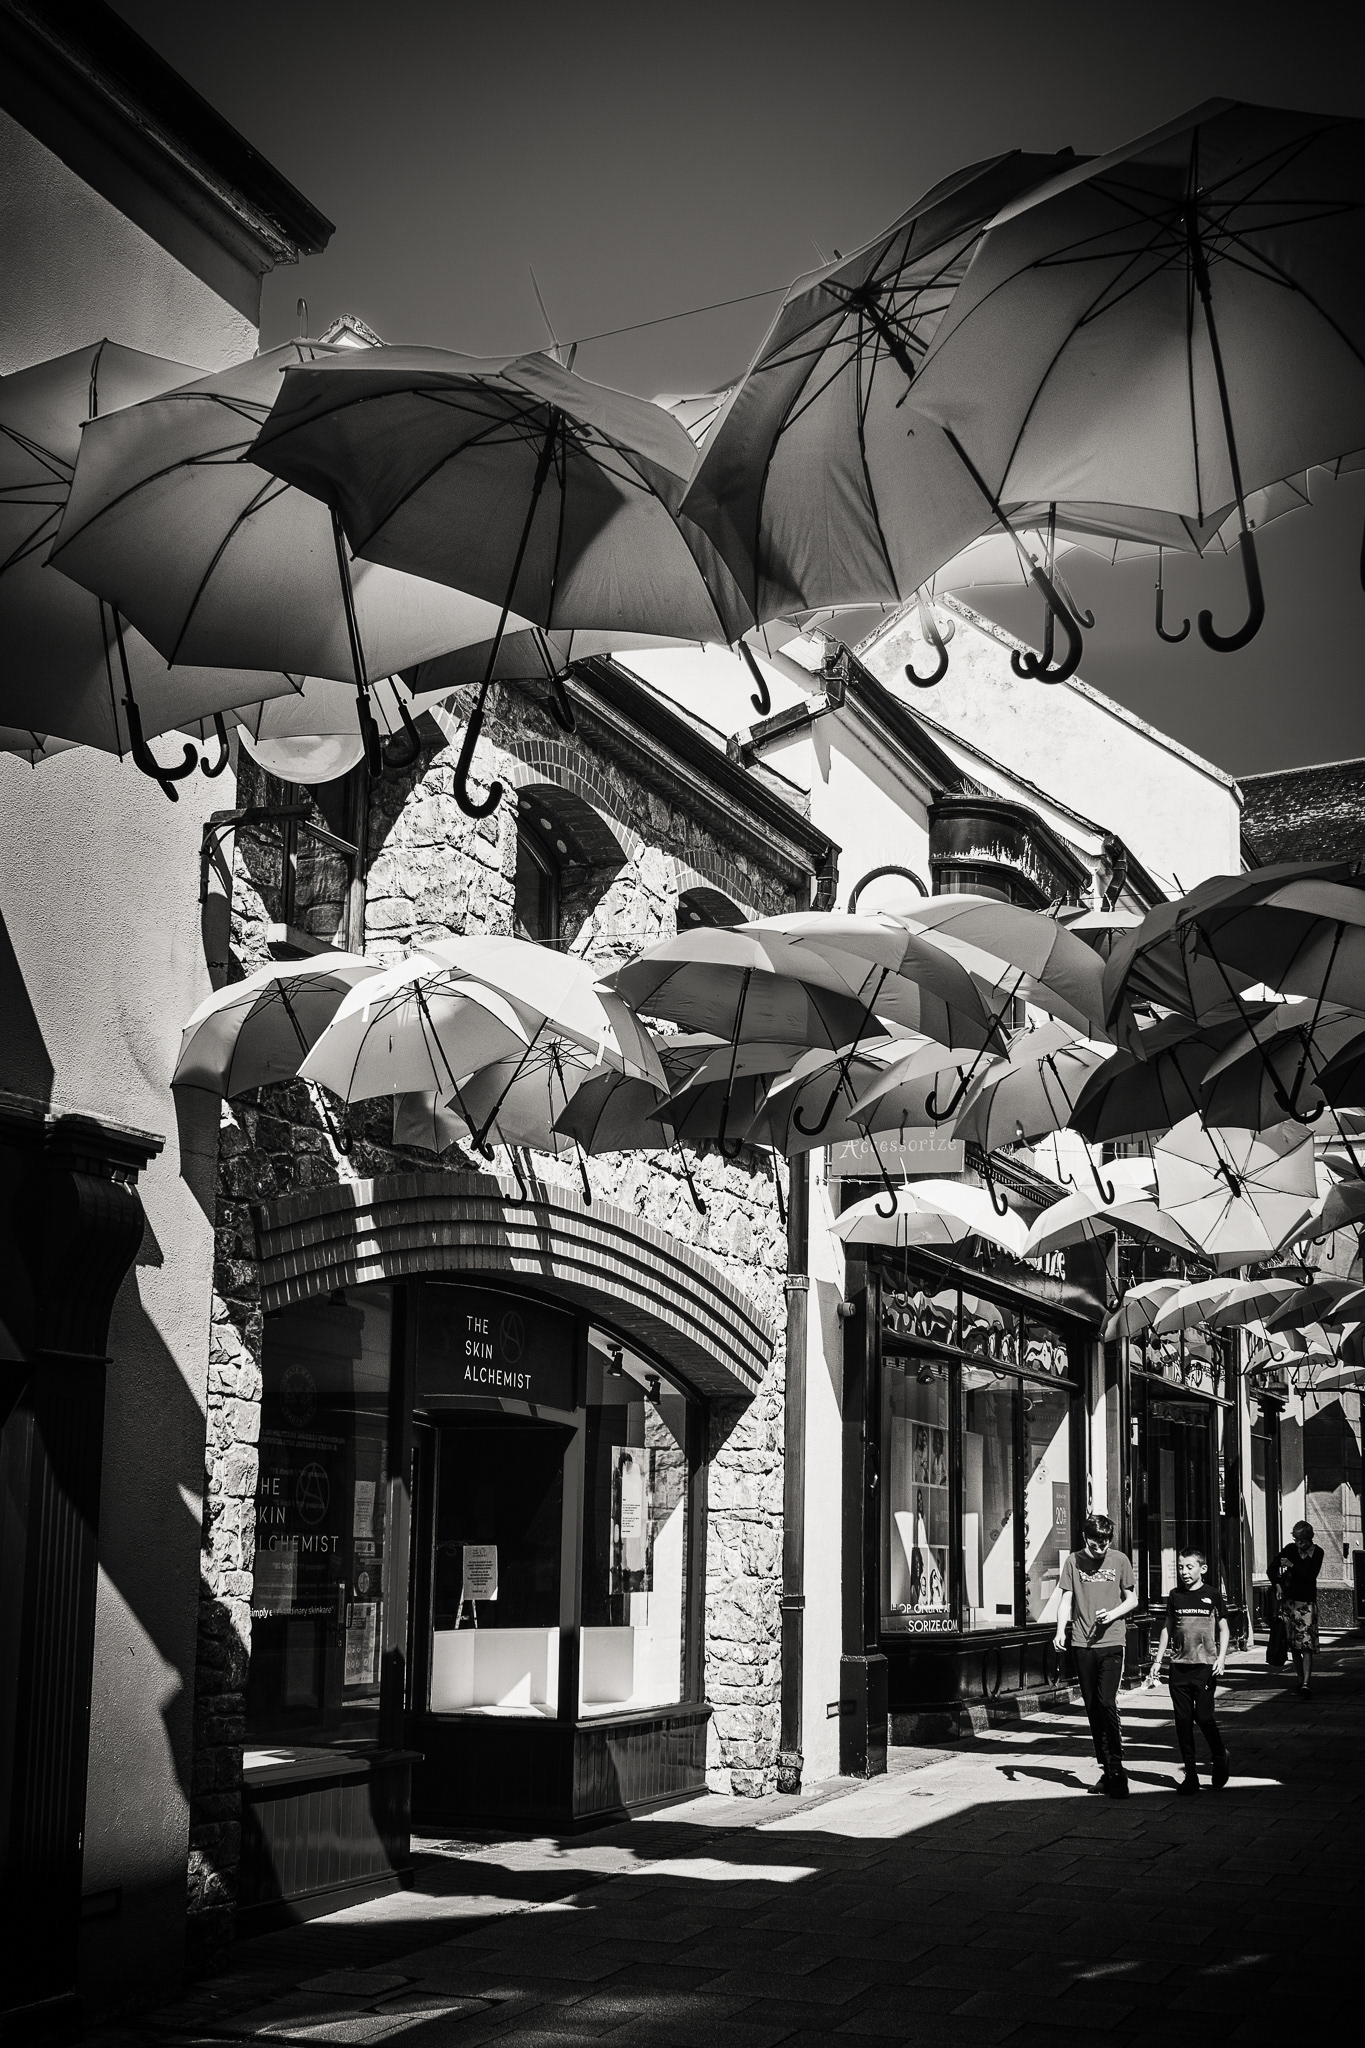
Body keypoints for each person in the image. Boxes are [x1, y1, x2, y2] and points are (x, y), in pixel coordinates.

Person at [1054, 1513, 1139, 1797]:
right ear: (1085, 1538)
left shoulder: (1120, 1560)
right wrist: (1059, 1631)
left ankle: (1117, 1767)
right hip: (1082, 1643)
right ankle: (1107, 1769)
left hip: (1112, 1641)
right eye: (1096, 1540)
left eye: (1106, 1540)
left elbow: (1132, 1600)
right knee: (1091, 1707)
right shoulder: (1073, 1561)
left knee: (1106, 1702)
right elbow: (1066, 1599)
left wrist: (1111, 1615)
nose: (1101, 1546)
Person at [1144, 1545, 1230, 1794]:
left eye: (1189, 1567)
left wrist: (1221, 1658)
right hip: (1179, 1667)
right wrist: (1158, 1661)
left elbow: (1224, 1629)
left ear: (1202, 1568)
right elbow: (1167, 1628)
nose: (1184, 1571)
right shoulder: (1175, 1596)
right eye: (1180, 1567)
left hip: (1205, 1667)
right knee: (1182, 1721)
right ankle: (1190, 1774)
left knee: (1203, 1717)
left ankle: (1219, 1754)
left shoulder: (1212, 1594)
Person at [1276, 1520, 1324, 1697]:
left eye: (1301, 1540)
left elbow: (1310, 1576)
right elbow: (1272, 1567)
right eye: (1295, 1539)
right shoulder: (1290, 1549)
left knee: (1306, 1645)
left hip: (1306, 1603)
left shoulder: (1317, 1552)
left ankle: (1306, 1682)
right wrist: (1277, 1585)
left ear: (1309, 1538)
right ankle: (1299, 1681)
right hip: (1290, 1602)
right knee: (1294, 1645)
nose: (1298, 1543)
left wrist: (1292, 1566)